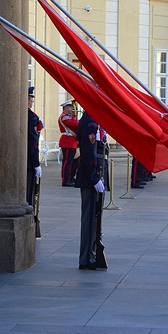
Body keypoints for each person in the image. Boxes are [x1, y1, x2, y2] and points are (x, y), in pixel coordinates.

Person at [75, 110, 108, 270]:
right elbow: (89, 153)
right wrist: (94, 178)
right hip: (91, 177)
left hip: (96, 174)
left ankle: (92, 254)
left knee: (95, 219)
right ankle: (87, 257)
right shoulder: (90, 123)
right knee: (89, 220)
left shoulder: (95, 120)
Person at [26, 87, 43, 205]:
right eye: (31, 99)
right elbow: (33, 143)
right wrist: (36, 164)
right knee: (28, 195)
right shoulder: (31, 117)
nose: (32, 101)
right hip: (28, 162)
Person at [58, 100, 79, 187]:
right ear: (66, 108)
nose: (72, 108)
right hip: (67, 141)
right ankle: (65, 180)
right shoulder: (64, 117)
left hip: (72, 141)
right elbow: (75, 124)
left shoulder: (69, 116)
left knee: (73, 161)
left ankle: (70, 177)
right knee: (67, 162)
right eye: (70, 107)